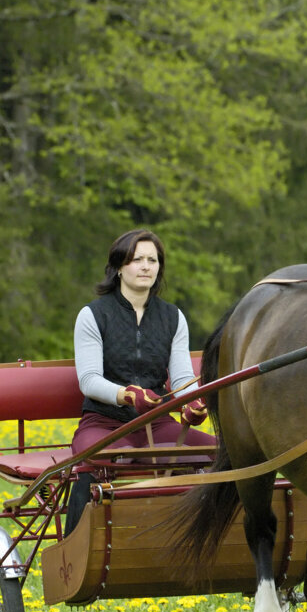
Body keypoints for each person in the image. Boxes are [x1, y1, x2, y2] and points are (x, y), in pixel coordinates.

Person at [64, 228, 214, 535]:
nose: (146, 266)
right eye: (136, 259)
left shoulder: (173, 317)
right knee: (91, 464)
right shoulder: (93, 315)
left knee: (223, 456)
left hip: (158, 424)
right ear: (119, 266)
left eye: (152, 260)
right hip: (104, 424)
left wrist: (193, 402)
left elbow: (184, 377)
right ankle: (72, 550)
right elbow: (89, 380)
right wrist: (127, 395)